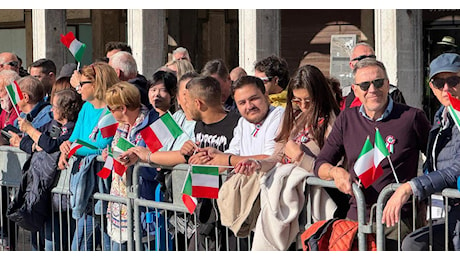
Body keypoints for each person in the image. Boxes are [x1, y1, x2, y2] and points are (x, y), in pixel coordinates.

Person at [313, 58, 432, 250]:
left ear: (387, 84)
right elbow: (321, 163)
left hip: (399, 220)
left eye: (378, 82)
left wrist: (417, 190)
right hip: (357, 215)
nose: (372, 90)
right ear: (355, 89)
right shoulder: (346, 118)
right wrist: (335, 173)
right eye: (365, 85)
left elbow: (435, 160)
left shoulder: (412, 117)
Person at [382, 53, 460, 251]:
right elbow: (433, 161)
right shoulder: (441, 115)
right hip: (445, 208)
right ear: (431, 87)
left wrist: (411, 187)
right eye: (438, 82)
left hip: (455, 209)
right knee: (413, 243)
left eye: (453, 80)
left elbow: (456, 168)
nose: (446, 88)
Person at [58, 62, 119, 251]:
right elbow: (75, 138)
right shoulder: (85, 108)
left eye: (82, 83)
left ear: (97, 84)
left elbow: (102, 145)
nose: (78, 88)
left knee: (92, 243)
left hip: (103, 185)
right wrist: (65, 147)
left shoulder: (111, 110)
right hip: (85, 183)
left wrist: (74, 148)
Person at [15, 88, 83, 251]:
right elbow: (35, 143)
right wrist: (34, 143)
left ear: (64, 109)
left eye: (54, 106)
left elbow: (51, 145)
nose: (51, 110)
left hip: (64, 198)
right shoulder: (55, 125)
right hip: (48, 195)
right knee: (46, 240)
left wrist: (30, 130)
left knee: (58, 242)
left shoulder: (72, 128)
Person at [180, 76, 240, 251]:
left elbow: (240, 160)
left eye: (187, 101)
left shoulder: (236, 124)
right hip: (206, 209)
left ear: (198, 103)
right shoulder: (199, 126)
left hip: (230, 211)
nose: (185, 106)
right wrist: (188, 153)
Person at [103, 81, 162, 251]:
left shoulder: (154, 124)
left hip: (144, 205)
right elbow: (116, 151)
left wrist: (138, 162)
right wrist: (108, 156)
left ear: (122, 108)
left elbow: (158, 168)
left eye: (111, 108)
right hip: (120, 204)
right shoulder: (122, 126)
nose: (109, 112)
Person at [197, 75, 284, 167]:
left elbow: (271, 159)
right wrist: (214, 156)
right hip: (245, 179)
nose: (249, 106)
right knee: (200, 176)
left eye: (253, 99)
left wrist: (228, 160)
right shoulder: (243, 122)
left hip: (268, 179)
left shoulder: (279, 116)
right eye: (242, 103)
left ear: (266, 96)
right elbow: (234, 152)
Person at [343, 42, 406, 110]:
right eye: (362, 58)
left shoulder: (392, 92)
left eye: (371, 58)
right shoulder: (344, 94)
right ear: (351, 65)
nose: (368, 62)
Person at [9, 76, 53, 148]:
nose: (16, 102)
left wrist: (22, 142)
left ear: (25, 97)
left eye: (16, 96)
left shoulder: (48, 115)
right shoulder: (21, 116)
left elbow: (44, 142)